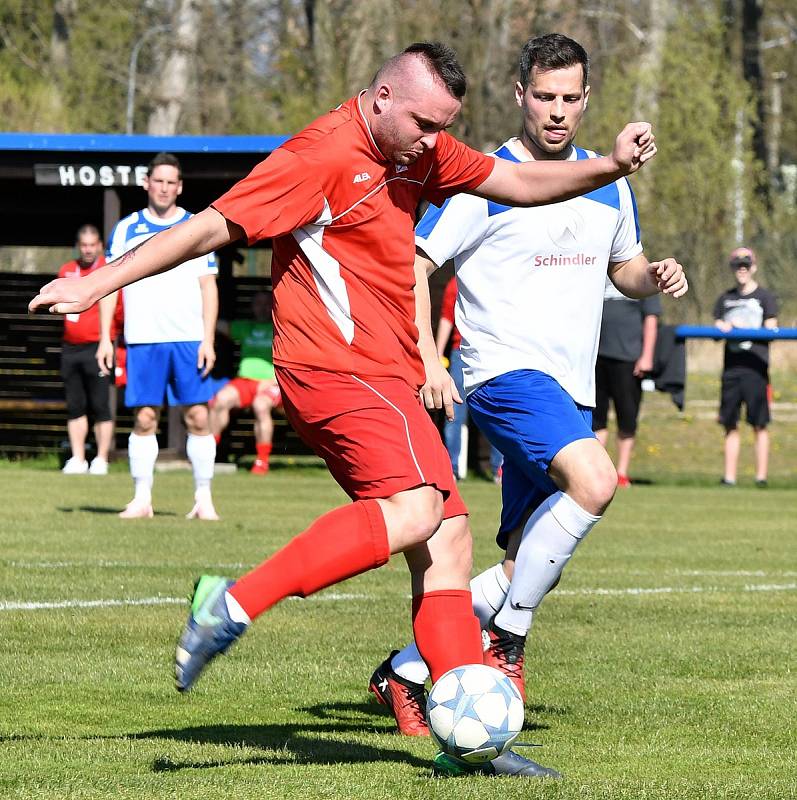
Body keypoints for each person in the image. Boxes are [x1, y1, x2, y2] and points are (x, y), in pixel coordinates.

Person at [31, 41, 659, 779]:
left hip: (382, 377)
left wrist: (611, 168)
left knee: (448, 541)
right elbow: (207, 227)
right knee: (420, 510)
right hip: (333, 371)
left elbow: (517, 183)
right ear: (383, 97)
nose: (433, 141)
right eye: (424, 122)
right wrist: (98, 282)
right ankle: (230, 604)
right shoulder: (317, 157)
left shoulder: (418, 148)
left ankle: (470, 744)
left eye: (443, 125)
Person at [368, 34, 687, 736]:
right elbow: (414, 264)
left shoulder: (607, 183)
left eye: (570, 98)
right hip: (503, 373)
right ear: (519, 95)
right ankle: (507, 641)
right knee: (596, 481)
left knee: (526, 560)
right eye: (543, 97)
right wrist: (425, 357)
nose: (557, 111)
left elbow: (622, 270)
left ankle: (406, 670)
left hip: (569, 386)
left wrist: (654, 275)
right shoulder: (481, 177)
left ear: (585, 99)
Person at [97, 152, 221, 520]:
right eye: (159, 181)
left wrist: (208, 338)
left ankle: (204, 499)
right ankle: (142, 499)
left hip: (188, 339)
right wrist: (106, 337)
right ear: (146, 184)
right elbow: (108, 286)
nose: (164, 188)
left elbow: (208, 287)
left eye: (171, 182)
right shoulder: (125, 229)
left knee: (199, 417)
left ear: (179, 187)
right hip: (143, 339)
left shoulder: (196, 226)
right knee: (145, 417)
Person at [58, 224, 123, 475]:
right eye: (83, 245)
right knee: (75, 405)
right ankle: (78, 458)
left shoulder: (107, 272)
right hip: (70, 348)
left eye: (92, 245)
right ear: (78, 246)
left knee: (100, 405)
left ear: (99, 246)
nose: (87, 250)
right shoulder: (66, 270)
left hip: (98, 347)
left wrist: (108, 339)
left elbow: (118, 309)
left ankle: (101, 459)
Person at [713, 246, 778, 487]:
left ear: (753, 267)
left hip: (756, 369)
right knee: (730, 424)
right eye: (738, 265)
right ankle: (729, 478)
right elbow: (717, 326)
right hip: (731, 369)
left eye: (746, 265)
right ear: (732, 268)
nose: (742, 269)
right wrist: (722, 326)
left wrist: (744, 329)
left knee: (759, 424)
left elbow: (772, 329)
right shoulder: (725, 298)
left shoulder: (765, 297)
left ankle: (761, 477)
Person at [592, 280, 661, 487]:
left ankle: (621, 473)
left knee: (627, 418)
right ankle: (597, 471)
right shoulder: (597, 269)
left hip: (628, 359)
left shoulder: (643, 276)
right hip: (595, 357)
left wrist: (647, 356)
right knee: (595, 420)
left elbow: (651, 319)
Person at [436, 275, 502, 481]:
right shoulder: (456, 284)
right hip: (461, 353)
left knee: (499, 412)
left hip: (491, 352)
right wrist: (437, 355)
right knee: (455, 413)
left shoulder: (492, 278)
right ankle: (453, 469)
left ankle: (499, 469)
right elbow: (448, 317)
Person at [210, 290, 283, 474]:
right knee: (219, 400)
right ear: (252, 307)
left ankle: (262, 461)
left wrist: (275, 379)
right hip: (245, 382)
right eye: (258, 304)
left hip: (272, 383)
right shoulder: (245, 327)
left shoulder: (281, 328)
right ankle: (208, 454)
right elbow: (218, 325)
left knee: (260, 406)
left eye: (267, 304)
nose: (263, 308)